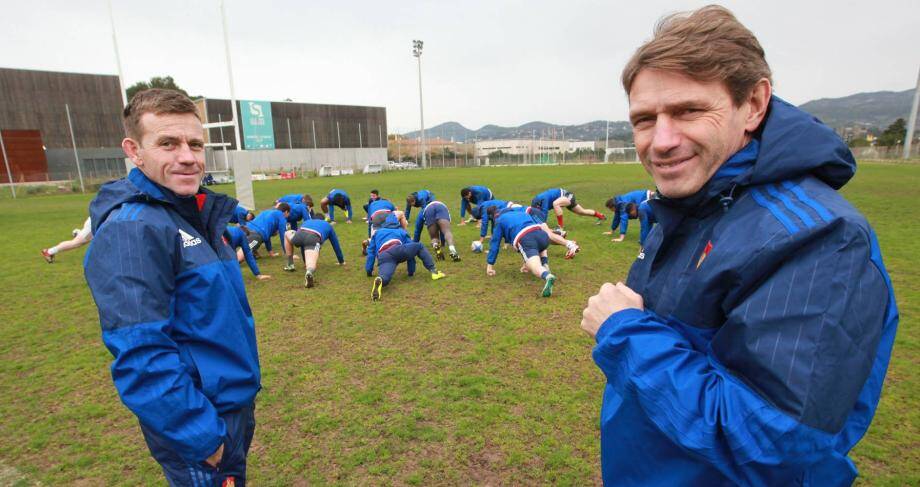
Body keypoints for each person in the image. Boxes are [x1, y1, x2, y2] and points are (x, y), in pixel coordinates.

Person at [579, 7, 898, 485]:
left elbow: (773, 445)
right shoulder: (690, 203)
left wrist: (624, 331)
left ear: (753, 104)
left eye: (688, 110)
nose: (660, 141)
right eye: (644, 119)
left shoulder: (821, 239)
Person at [83, 89, 260, 485]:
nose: (187, 157)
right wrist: (202, 436)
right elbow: (141, 354)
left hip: (228, 408)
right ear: (134, 150)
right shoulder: (134, 229)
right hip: (200, 423)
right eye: (168, 143)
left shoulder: (193, 213)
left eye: (195, 144)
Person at [484, 206, 565, 297]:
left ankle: (547, 276)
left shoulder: (500, 220)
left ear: (494, 216)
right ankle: (545, 265)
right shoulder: (522, 213)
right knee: (538, 246)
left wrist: (489, 266)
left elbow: (495, 244)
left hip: (525, 238)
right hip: (542, 235)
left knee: (535, 266)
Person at [366, 213, 446, 301]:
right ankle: (434, 272)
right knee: (419, 246)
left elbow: (371, 253)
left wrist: (369, 270)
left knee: (385, 276)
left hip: (384, 255)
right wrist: (411, 271)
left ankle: (380, 279)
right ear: (397, 222)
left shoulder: (377, 233)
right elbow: (410, 251)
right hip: (398, 249)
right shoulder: (401, 231)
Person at [282, 212, 345, 287]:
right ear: (324, 220)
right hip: (313, 238)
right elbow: (335, 244)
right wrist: (341, 261)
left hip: (299, 235)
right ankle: (309, 272)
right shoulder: (327, 225)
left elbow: (303, 245)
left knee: (287, 233)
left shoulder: (307, 221)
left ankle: (290, 264)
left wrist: (305, 261)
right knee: (311, 265)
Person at [531, 187, 606, 232]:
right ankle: (601, 216)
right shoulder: (536, 202)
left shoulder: (542, 199)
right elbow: (536, 213)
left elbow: (544, 213)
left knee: (556, 204)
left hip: (568, 196)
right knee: (582, 212)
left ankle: (560, 227)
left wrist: (542, 225)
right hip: (563, 199)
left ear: (538, 204)